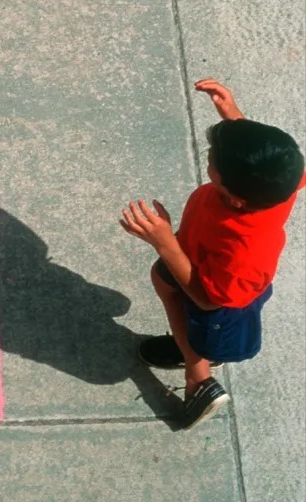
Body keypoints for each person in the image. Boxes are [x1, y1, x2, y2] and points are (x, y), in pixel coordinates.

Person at [120, 78, 304, 430]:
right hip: (201, 257)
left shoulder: (242, 254)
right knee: (163, 278)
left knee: (194, 320)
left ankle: (199, 378)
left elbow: (206, 299)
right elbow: (264, 164)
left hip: (221, 299)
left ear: (235, 198)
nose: (209, 159)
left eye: (213, 161)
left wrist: (164, 241)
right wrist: (236, 122)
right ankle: (190, 347)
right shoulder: (278, 183)